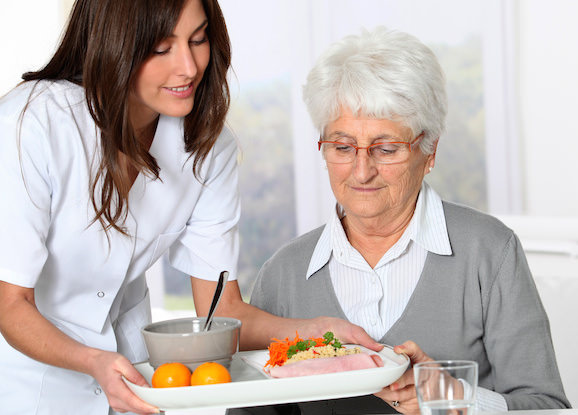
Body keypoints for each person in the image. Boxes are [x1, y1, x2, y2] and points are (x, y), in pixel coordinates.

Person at [0, 1, 379, 414]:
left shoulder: (208, 148)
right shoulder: (32, 124)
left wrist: (321, 332)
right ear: (112, 45)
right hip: (28, 381)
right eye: (162, 48)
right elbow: (9, 303)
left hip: (134, 382)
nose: (188, 66)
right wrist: (92, 361)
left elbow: (221, 311)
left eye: (198, 40)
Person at [248, 27, 571, 414]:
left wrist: (459, 402)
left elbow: (549, 407)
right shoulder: (282, 276)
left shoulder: (490, 253)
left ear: (430, 150)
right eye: (342, 147)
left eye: (386, 148)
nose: (361, 171)